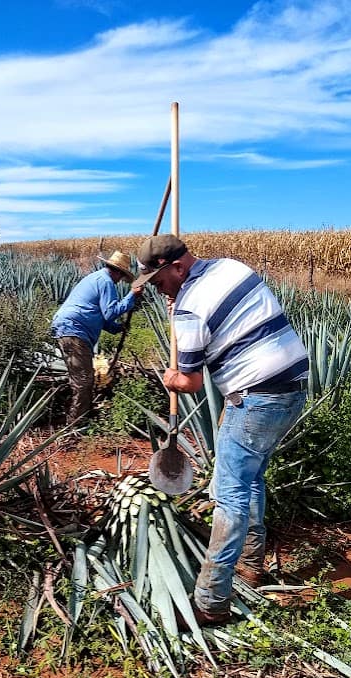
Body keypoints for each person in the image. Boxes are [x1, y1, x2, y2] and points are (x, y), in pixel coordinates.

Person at [134, 234, 308, 626]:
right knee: (251, 478)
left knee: (229, 493)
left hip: (255, 399)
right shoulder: (233, 267)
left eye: (159, 282)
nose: (159, 292)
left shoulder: (189, 310)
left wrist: (171, 378)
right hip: (292, 390)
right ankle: (251, 564)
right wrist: (175, 300)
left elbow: (192, 384)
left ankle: (211, 601)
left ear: (176, 267)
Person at [51, 250, 143, 429]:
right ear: (118, 271)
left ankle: (76, 416)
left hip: (69, 327)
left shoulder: (97, 279)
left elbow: (99, 315)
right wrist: (131, 296)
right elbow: (110, 312)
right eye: (122, 276)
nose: (120, 281)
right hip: (74, 329)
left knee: (81, 378)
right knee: (84, 380)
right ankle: (75, 425)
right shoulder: (106, 281)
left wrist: (117, 328)